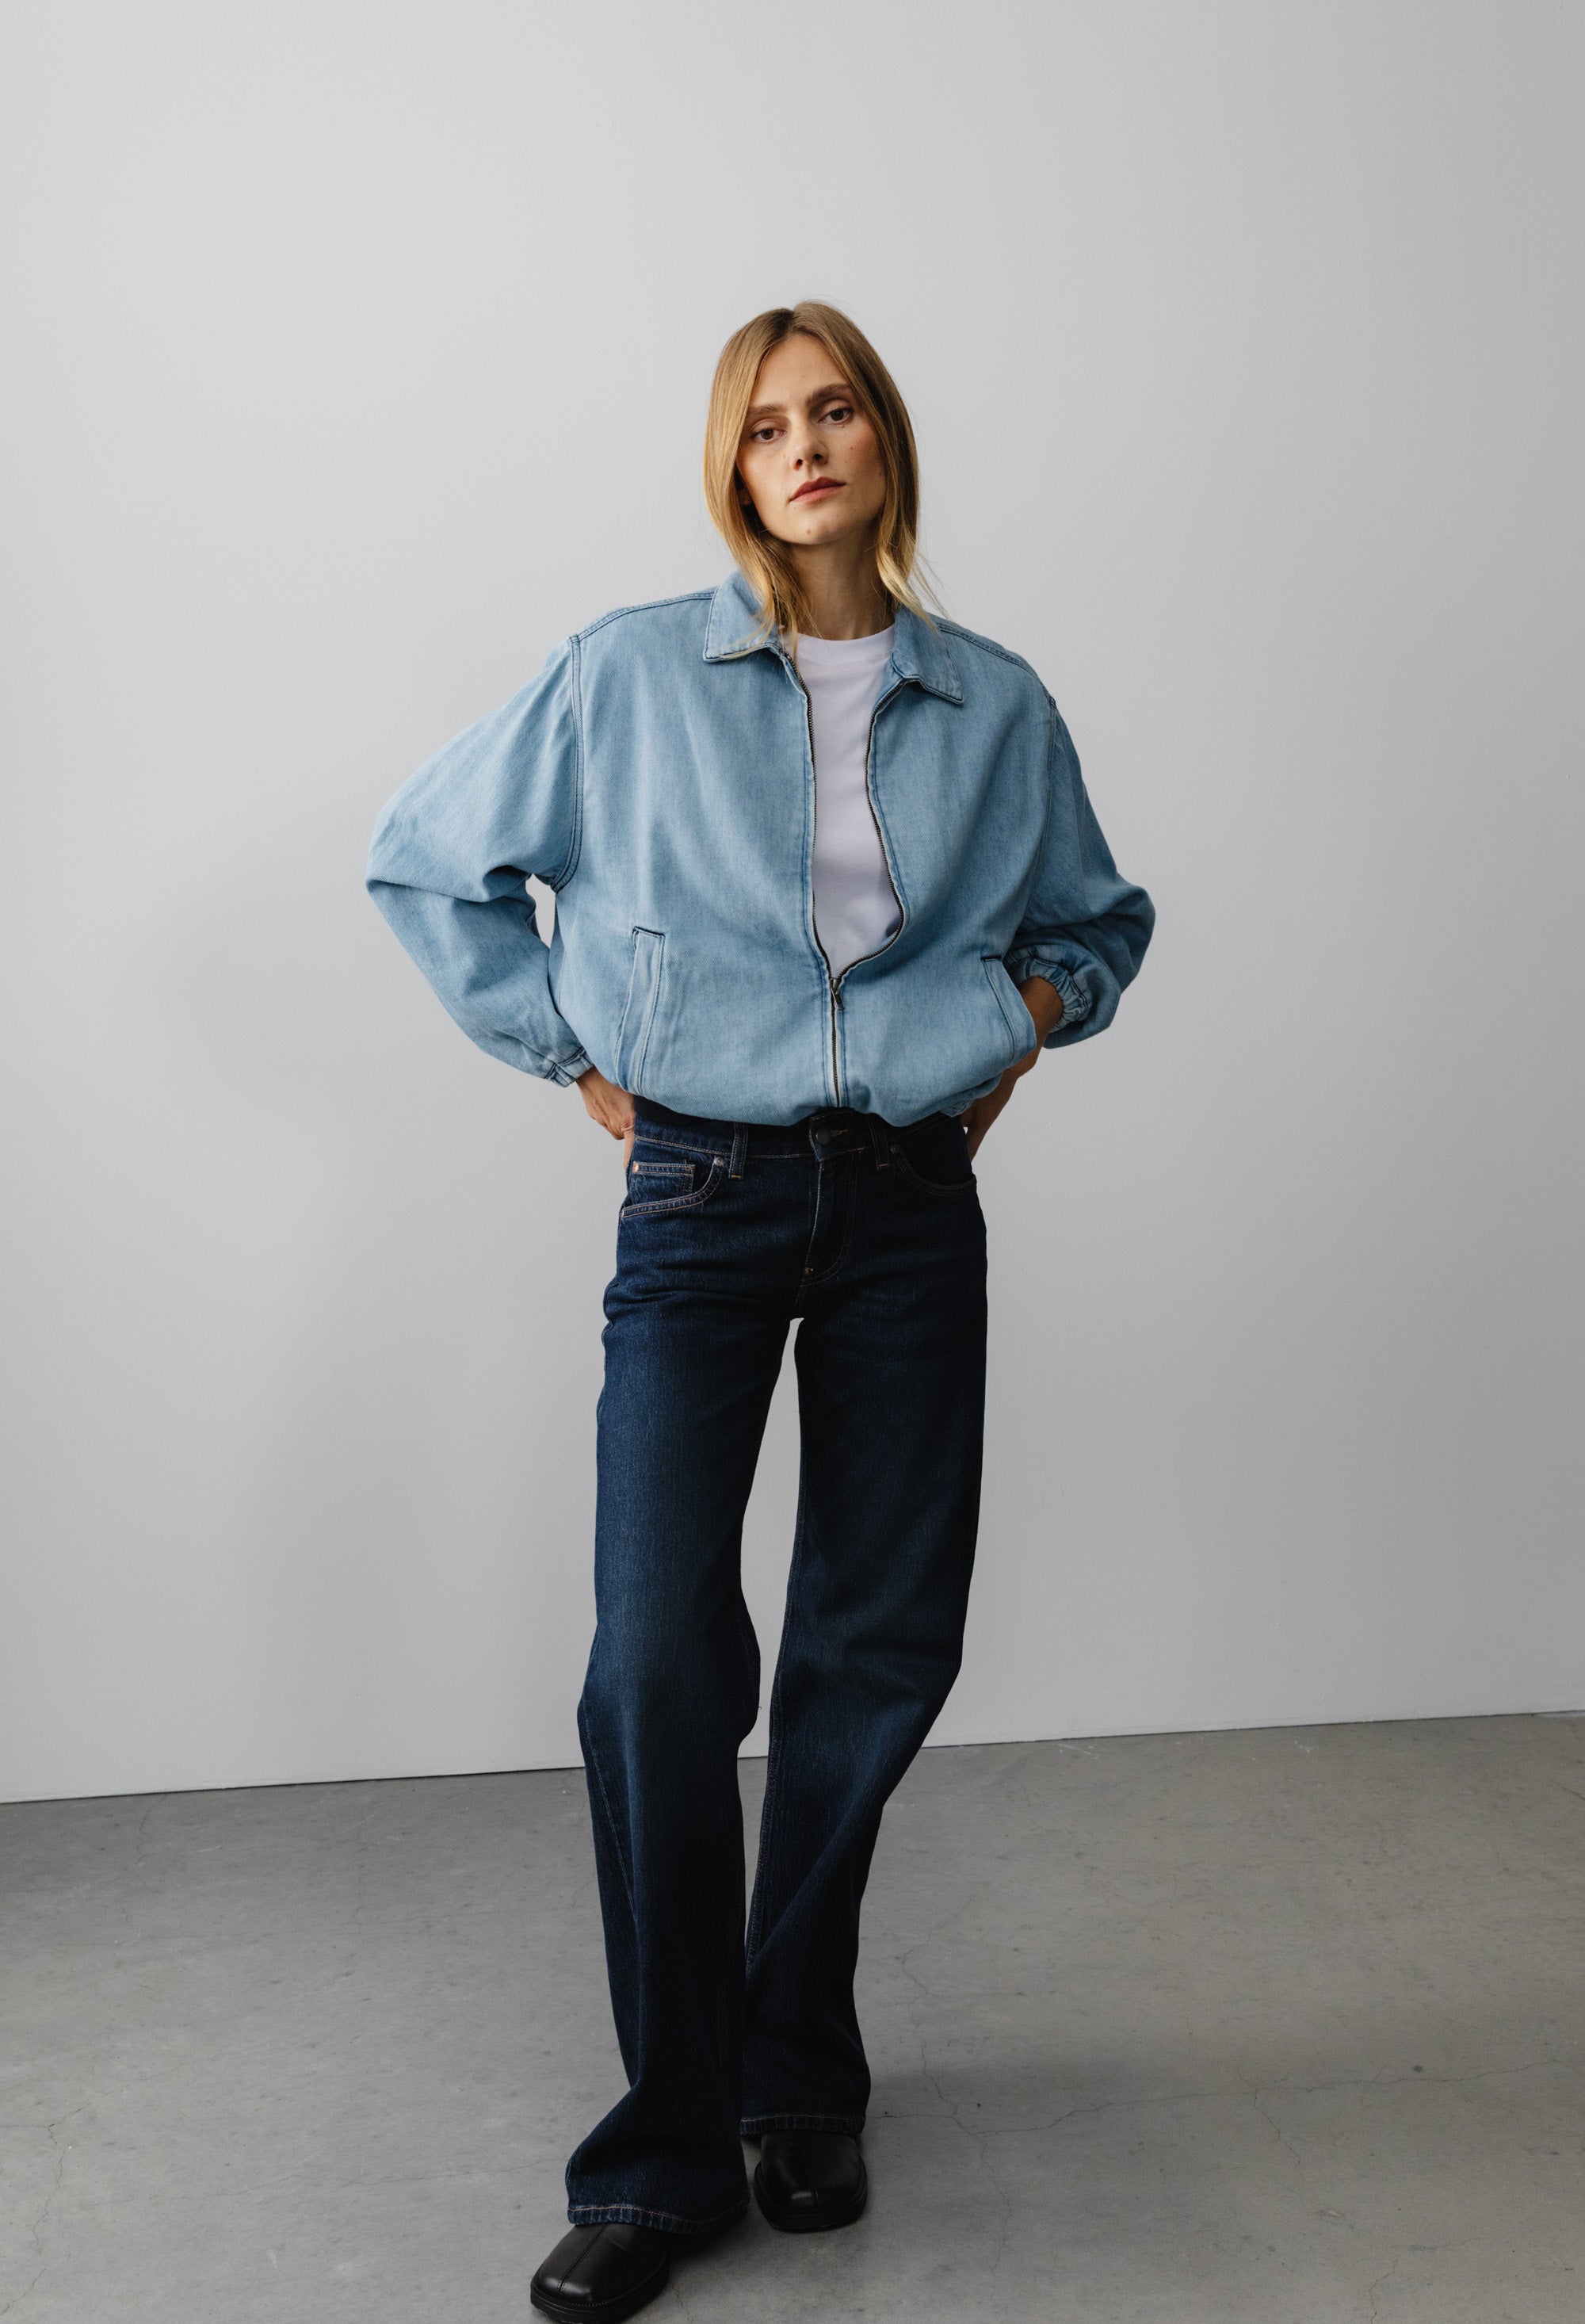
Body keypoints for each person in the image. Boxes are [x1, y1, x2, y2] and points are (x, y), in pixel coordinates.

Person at [366, 300, 1154, 2322]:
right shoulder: (624, 670)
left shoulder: (993, 700)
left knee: (870, 1651)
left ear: (884, 442)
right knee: (652, 1663)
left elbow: (1098, 918)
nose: (803, 446)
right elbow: (424, 865)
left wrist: (1017, 1021)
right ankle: (662, 2150)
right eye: (765, 422)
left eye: (836, 411)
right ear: (728, 466)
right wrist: (572, 1048)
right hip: (698, 1193)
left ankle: (801, 2068)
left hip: (905, 1201)